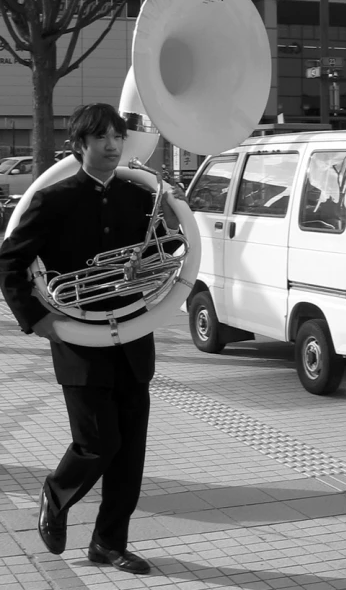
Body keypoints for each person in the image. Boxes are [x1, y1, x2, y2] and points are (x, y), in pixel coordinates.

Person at [0, 103, 182, 575]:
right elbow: (9, 263)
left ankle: (108, 544)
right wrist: (36, 317)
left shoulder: (138, 195)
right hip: (78, 337)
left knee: (130, 453)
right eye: (100, 137)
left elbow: (169, 248)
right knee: (97, 442)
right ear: (78, 145)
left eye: (117, 137)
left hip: (133, 335)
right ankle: (56, 493)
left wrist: (176, 212)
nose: (111, 145)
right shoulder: (53, 199)